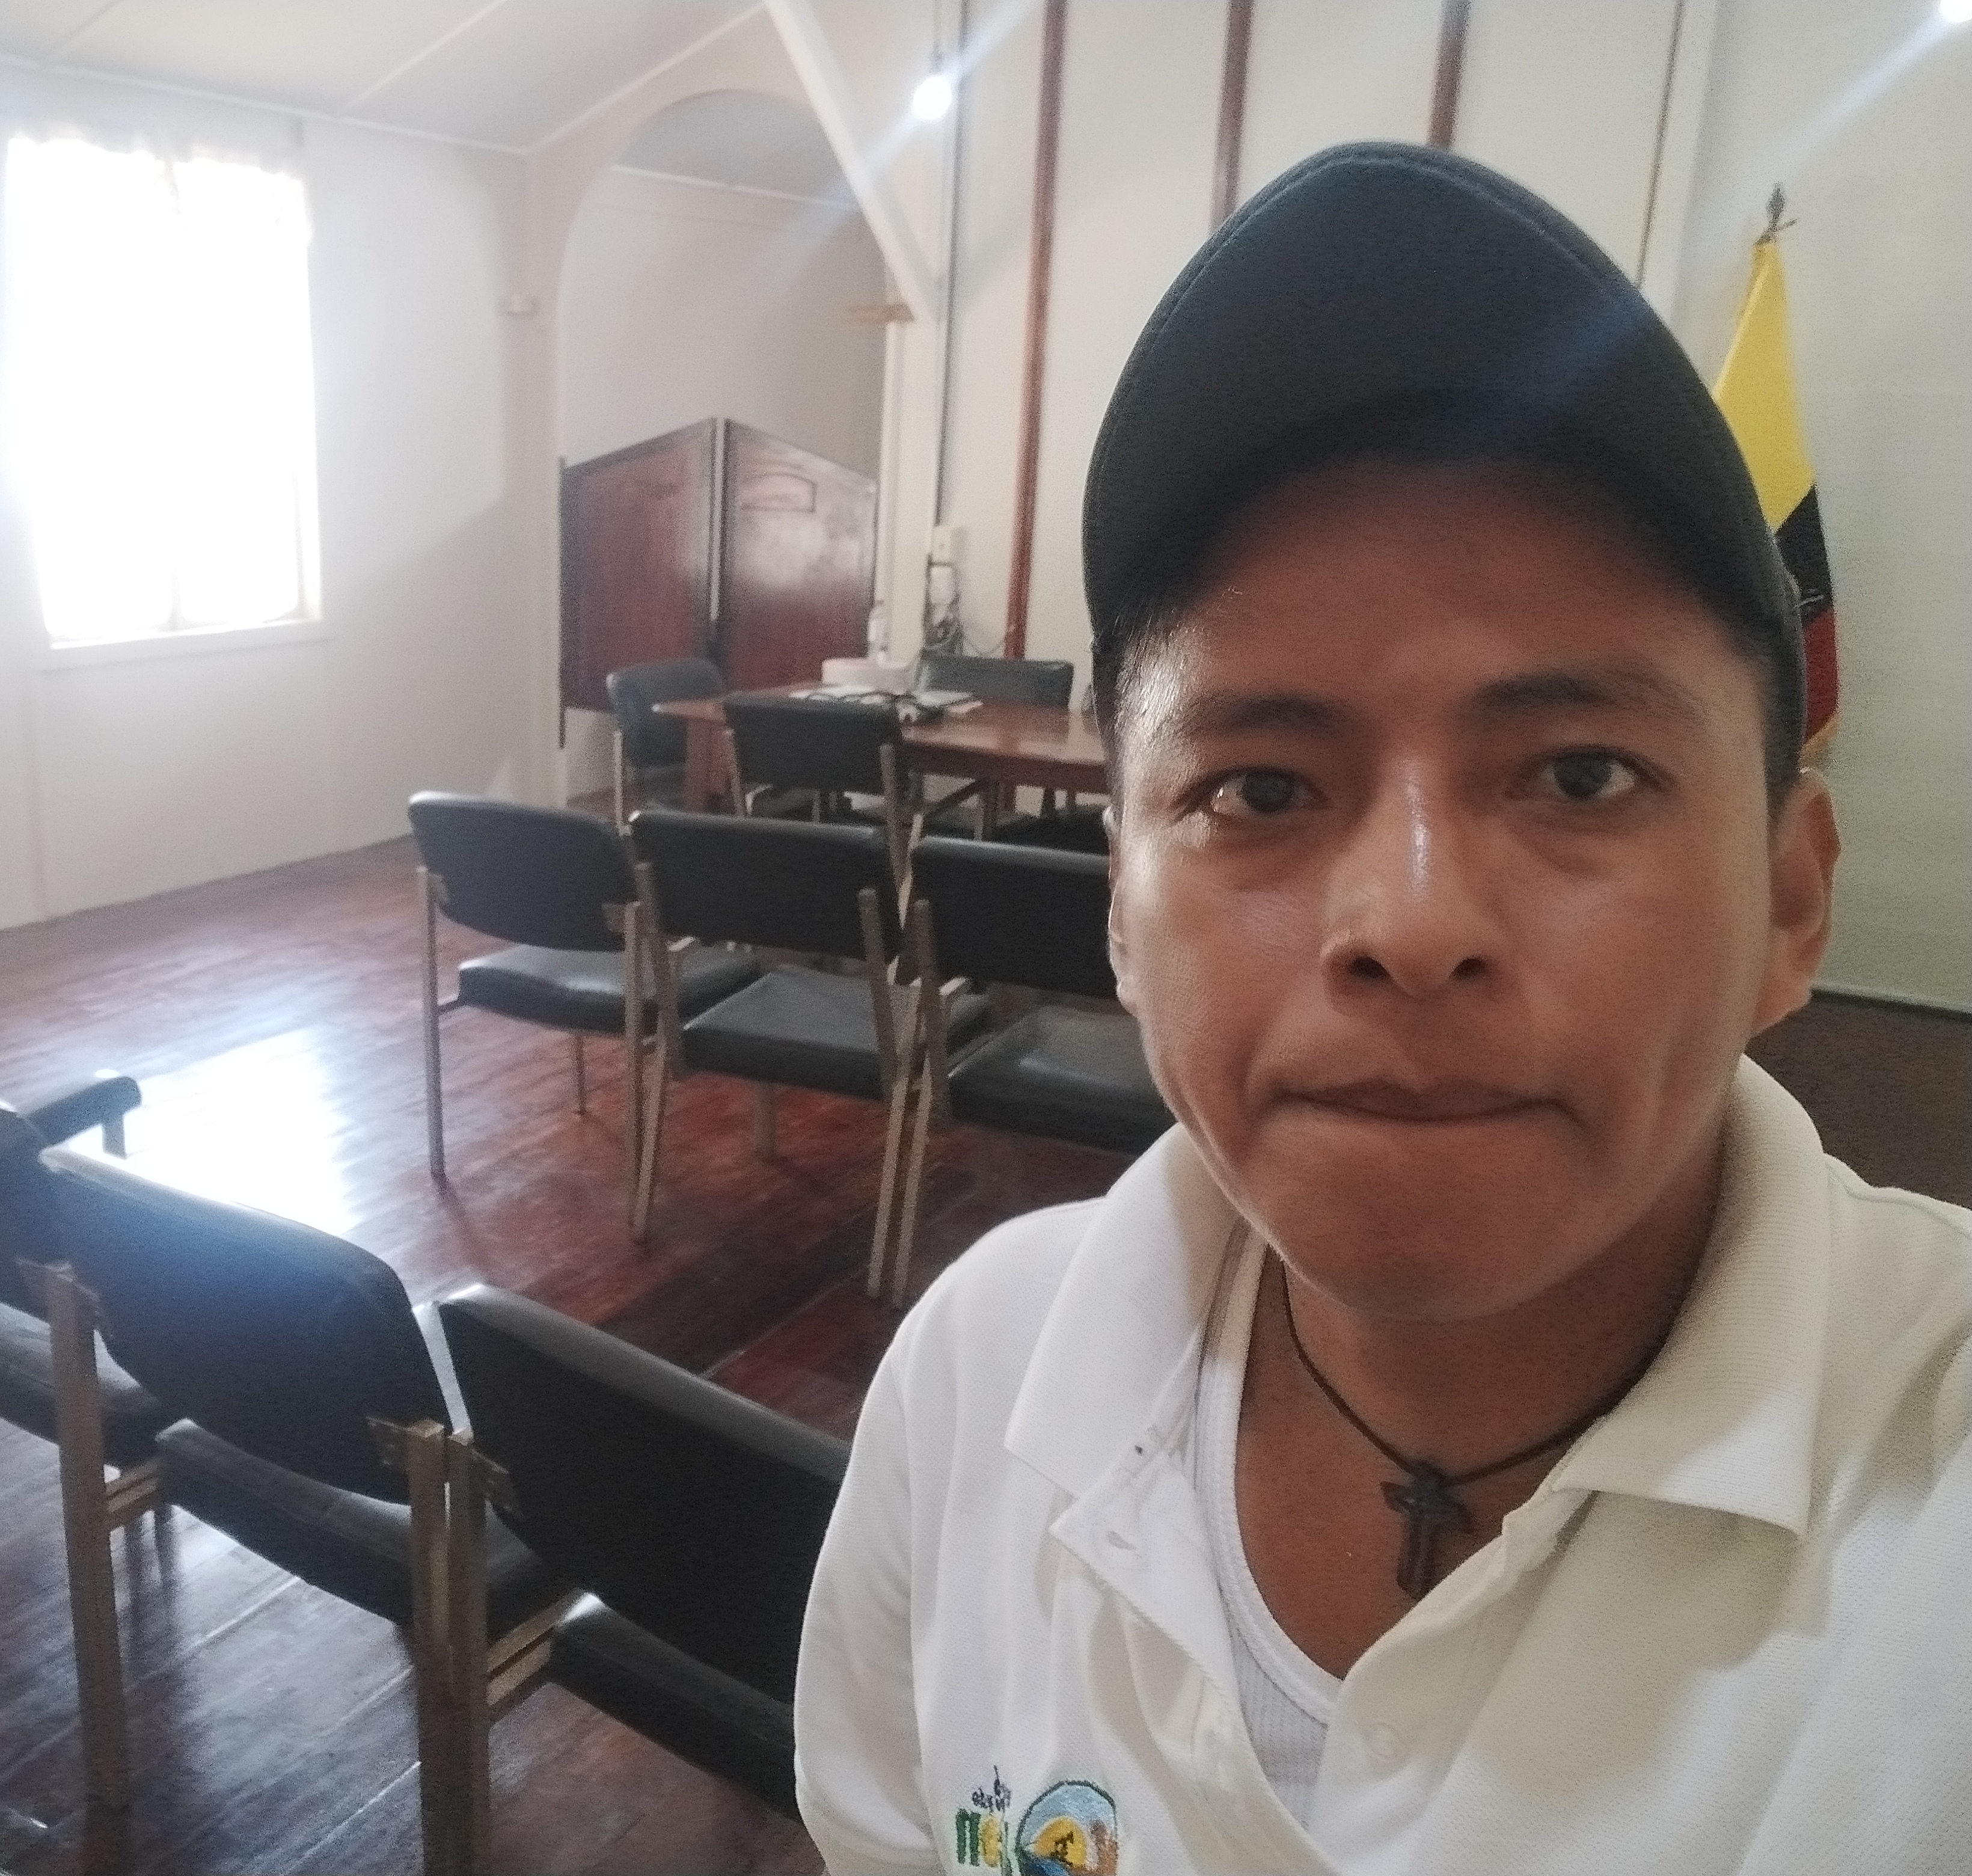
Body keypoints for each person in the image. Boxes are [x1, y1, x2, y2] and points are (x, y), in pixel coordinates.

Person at [793, 143, 1971, 1876]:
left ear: (1792, 900)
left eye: (1581, 772)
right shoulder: (981, 1375)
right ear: (1120, 913)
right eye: (1260, 791)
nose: (1412, 927)